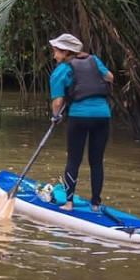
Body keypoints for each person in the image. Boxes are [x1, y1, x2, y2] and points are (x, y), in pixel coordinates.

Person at [49, 33, 114, 212]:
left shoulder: (61, 70)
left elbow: (58, 101)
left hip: (79, 116)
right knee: (96, 161)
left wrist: (55, 117)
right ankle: (95, 204)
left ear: (65, 52)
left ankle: (68, 204)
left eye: (56, 51)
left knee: (73, 160)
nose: (54, 55)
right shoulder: (93, 60)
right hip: (103, 116)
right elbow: (110, 77)